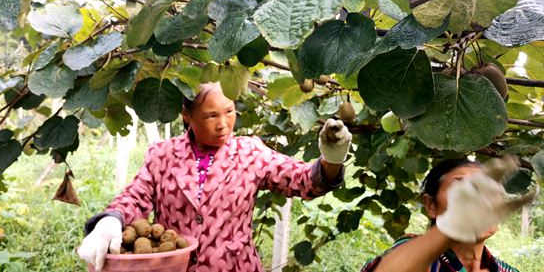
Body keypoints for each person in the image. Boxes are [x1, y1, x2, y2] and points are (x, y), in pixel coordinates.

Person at [78, 82, 353, 272]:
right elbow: (134, 197)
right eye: (211, 115)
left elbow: (303, 180)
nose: (223, 124)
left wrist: (332, 159)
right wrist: (110, 221)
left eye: (229, 111)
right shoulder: (162, 154)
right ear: (187, 115)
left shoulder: (249, 152)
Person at [361, 157, 537, 272]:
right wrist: (454, 226)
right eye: (462, 190)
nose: (480, 201)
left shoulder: (506, 270)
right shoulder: (417, 256)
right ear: (431, 205)